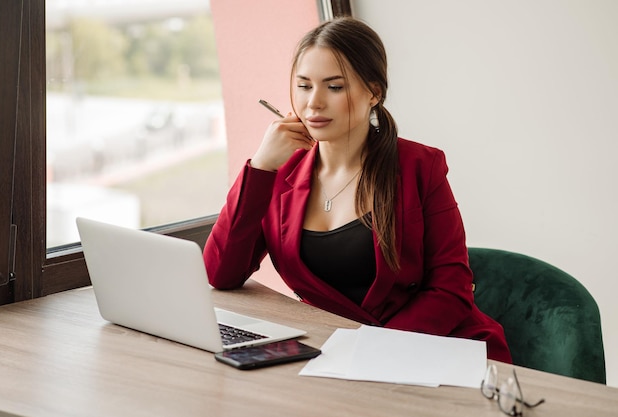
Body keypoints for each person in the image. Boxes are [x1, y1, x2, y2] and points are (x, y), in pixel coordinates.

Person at [203, 16, 512, 363]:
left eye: (334, 87)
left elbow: (451, 289)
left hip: (433, 349)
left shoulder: (420, 166)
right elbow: (221, 273)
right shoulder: (279, 173)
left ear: (374, 92)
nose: (313, 104)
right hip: (333, 356)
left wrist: (371, 350)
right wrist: (259, 167)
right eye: (304, 86)